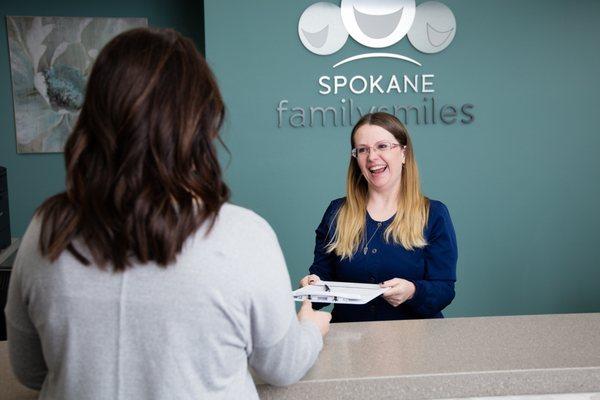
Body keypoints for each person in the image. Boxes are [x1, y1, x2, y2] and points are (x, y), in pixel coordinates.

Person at [5, 28, 330, 399]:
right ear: (200, 123)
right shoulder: (244, 235)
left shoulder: (47, 230)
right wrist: (310, 328)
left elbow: (29, 371)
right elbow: (283, 366)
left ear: (94, 115)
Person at [299, 112, 457, 323]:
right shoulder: (336, 212)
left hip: (416, 343)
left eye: (382, 146)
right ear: (356, 159)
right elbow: (321, 282)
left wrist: (412, 291)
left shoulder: (434, 214)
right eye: (363, 149)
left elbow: (444, 289)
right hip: (351, 343)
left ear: (403, 153)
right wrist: (313, 285)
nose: (372, 157)